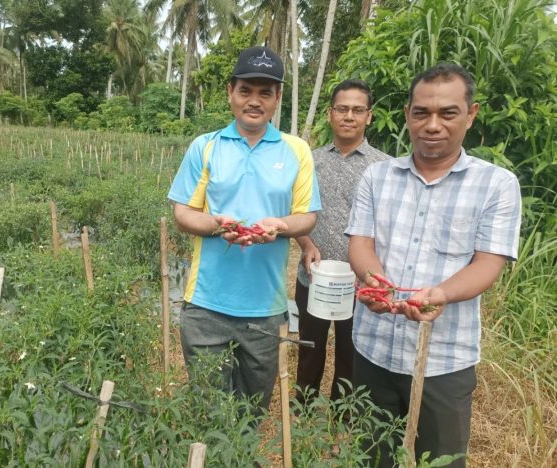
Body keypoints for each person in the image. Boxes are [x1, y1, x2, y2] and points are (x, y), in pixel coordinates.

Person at [345, 63, 521, 467]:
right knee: (370, 456)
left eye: (448, 113)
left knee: (440, 460)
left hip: (445, 360)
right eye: (421, 113)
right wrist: (376, 284)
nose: (433, 125)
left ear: (471, 114)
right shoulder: (377, 176)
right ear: (408, 114)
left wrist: (441, 293)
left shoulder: (496, 184)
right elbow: (361, 243)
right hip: (373, 350)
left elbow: (487, 263)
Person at [167, 46, 321, 413]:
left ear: (277, 97)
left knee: (252, 409)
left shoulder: (296, 150)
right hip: (206, 305)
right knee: (208, 408)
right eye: (246, 91)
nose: (254, 101)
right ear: (230, 92)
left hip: (265, 307)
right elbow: (183, 213)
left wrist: (281, 225)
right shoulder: (205, 147)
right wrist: (216, 225)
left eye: (265, 93)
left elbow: (306, 217)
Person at [294, 79, 391, 407]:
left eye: (357, 110)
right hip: (314, 276)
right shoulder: (309, 161)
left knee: (352, 356)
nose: (349, 116)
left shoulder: (384, 167)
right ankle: (303, 415)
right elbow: (292, 210)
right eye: (342, 109)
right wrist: (306, 244)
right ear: (329, 114)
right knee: (309, 349)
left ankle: (343, 423)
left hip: (360, 284)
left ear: (369, 116)